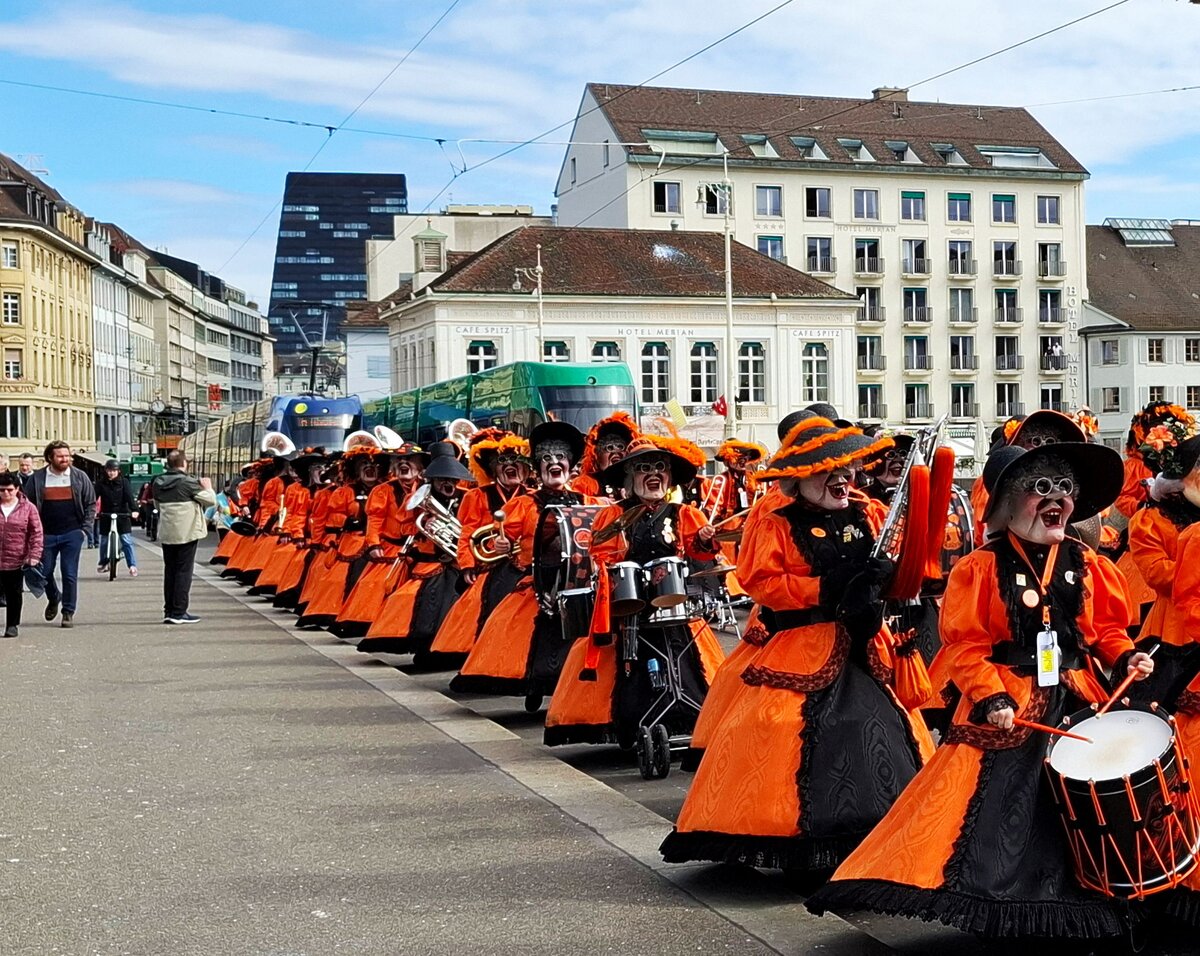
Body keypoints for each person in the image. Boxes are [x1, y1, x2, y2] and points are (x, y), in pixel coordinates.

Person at [807, 441, 1153, 939]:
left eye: (1064, 489)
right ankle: (1006, 903)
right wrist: (991, 697)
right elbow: (966, 646)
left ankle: (1091, 895)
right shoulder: (981, 566)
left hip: (1078, 697)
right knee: (1004, 803)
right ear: (1008, 501)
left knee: (1085, 801)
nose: (1055, 499)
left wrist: (1125, 657)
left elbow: (1104, 630)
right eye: (1040, 488)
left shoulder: (1088, 560)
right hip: (1009, 702)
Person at [659, 417, 935, 874]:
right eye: (827, 471)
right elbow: (760, 583)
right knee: (783, 730)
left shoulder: (868, 512)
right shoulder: (778, 523)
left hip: (865, 643)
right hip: (801, 643)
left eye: (847, 469)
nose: (843, 479)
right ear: (798, 480)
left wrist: (883, 579)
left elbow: (901, 563)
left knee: (879, 726)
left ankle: (879, 840)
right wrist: (826, 587)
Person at [25, 440, 97, 628]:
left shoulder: (80, 477)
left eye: (67, 455)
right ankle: (54, 596)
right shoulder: (38, 478)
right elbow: (27, 506)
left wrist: (85, 530)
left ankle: (68, 612)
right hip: (45, 534)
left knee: (69, 573)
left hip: (72, 533)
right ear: (50, 458)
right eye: (61, 456)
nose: (65, 459)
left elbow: (90, 504)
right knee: (44, 571)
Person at [151, 450, 216, 625]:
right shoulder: (187, 482)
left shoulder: (157, 482)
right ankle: (179, 612)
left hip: (167, 532)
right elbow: (211, 501)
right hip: (187, 532)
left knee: (170, 571)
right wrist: (208, 487)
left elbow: (156, 502)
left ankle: (169, 610)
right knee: (183, 572)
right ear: (184, 463)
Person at [0, 470, 43, 637]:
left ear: (17, 488)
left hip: (16, 558)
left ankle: (12, 625)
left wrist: (34, 555)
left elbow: (36, 533)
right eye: (2, 490)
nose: (6, 493)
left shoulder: (28, 508)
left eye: (10, 490)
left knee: (14, 593)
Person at [94, 460, 139, 577]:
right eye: (109, 470)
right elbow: (94, 498)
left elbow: (130, 498)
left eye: (114, 471)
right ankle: (104, 562)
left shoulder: (124, 482)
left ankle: (132, 565)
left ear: (118, 471)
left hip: (122, 515)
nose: (111, 473)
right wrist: (93, 511)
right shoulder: (100, 483)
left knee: (126, 540)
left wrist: (134, 510)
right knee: (104, 540)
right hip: (106, 515)